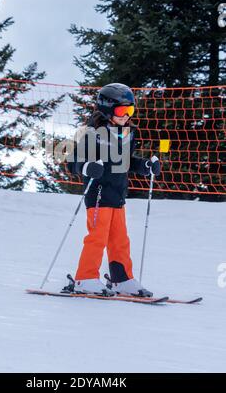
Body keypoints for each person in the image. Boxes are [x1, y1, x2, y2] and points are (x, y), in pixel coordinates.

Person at [67, 83, 160, 296]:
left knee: (120, 240)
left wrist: (146, 166)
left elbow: (126, 161)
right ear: (107, 109)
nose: (126, 115)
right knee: (97, 237)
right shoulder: (92, 133)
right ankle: (85, 278)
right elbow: (73, 162)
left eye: (130, 111)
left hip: (118, 195)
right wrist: (88, 167)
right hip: (98, 194)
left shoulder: (129, 133)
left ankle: (122, 279)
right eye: (121, 111)